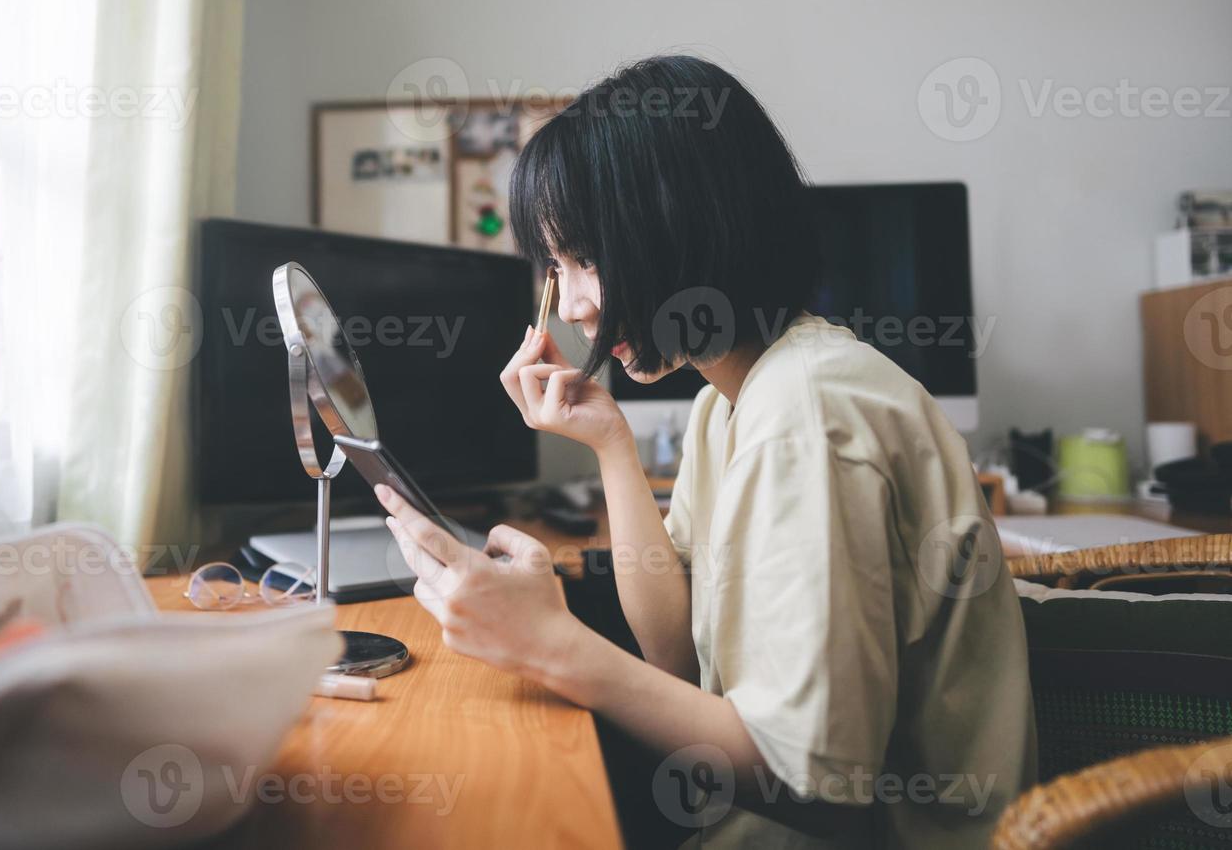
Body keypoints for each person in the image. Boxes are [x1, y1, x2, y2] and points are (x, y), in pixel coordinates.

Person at [374, 55, 1035, 847]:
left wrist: (554, 645)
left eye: (588, 258)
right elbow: (678, 659)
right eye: (557, 268)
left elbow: (816, 786)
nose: (576, 304)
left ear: (685, 228)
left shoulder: (806, 414)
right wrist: (611, 443)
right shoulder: (726, 403)